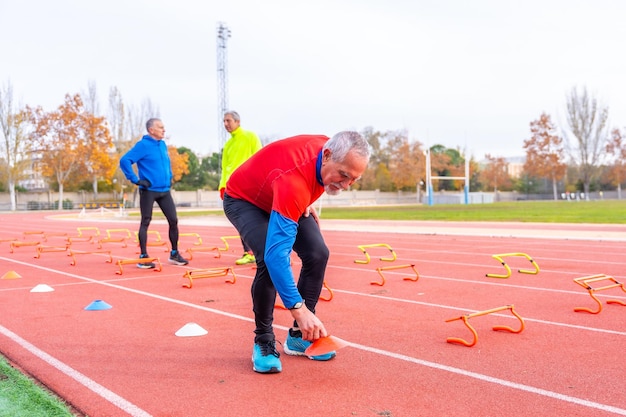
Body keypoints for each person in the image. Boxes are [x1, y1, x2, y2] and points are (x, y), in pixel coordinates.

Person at [223, 131, 370, 373]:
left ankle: (299, 336)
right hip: (245, 200)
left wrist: (307, 196)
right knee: (267, 262)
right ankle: (263, 340)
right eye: (343, 175)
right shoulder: (294, 183)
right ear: (327, 155)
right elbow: (276, 256)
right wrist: (298, 308)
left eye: (353, 179)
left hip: (283, 190)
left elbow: (293, 166)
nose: (345, 186)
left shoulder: (328, 151)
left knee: (318, 253)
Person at [119, 118, 189, 268]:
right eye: (161, 127)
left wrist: (169, 177)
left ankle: (174, 253)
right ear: (151, 130)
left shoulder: (162, 144)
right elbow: (124, 160)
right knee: (146, 221)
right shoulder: (143, 145)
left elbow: (166, 163)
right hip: (148, 191)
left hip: (164, 191)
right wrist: (136, 180)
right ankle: (143, 256)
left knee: (173, 220)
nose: (164, 130)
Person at [219, 111, 262, 266]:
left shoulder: (250, 137)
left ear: (238, 121)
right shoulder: (228, 145)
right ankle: (248, 252)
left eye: (228, 120)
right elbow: (225, 168)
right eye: (223, 121)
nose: (225, 124)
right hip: (233, 189)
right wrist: (222, 186)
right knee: (241, 220)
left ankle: (273, 253)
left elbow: (259, 158)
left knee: (260, 219)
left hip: (250, 186)